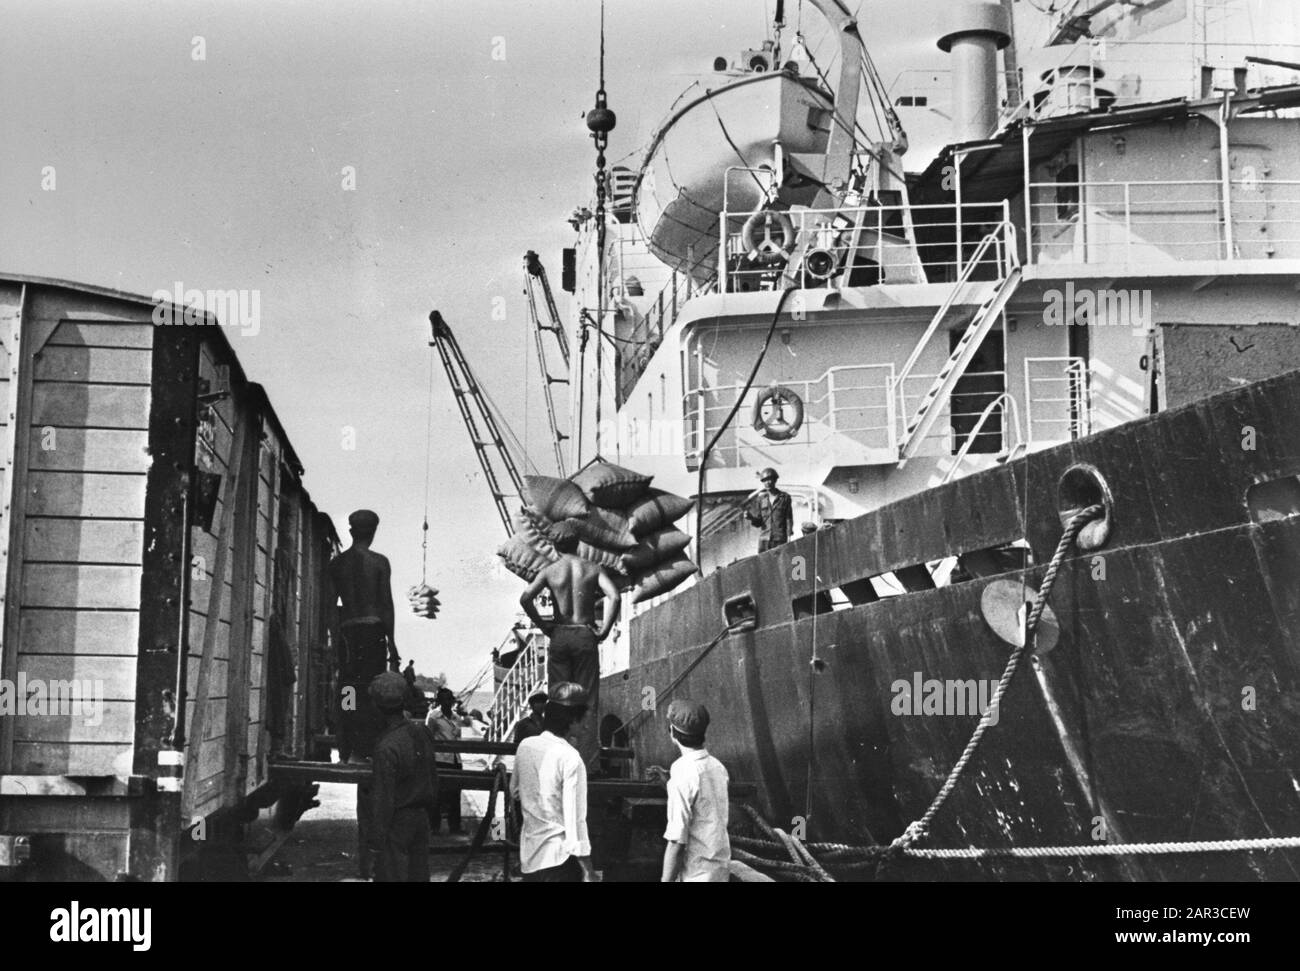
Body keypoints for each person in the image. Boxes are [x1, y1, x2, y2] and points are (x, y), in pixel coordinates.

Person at [518, 520, 621, 765]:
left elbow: (525, 599)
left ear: (554, 544)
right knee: (587, 699)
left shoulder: (549, 571)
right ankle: (586, 762)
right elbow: (614, 596)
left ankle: (554, 759)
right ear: (578, 543)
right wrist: (604, 630)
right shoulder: (593, 568)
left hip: (560, 634)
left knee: (558, 698)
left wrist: (544, 626)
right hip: (584, 634)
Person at [329, 509, 400, 763]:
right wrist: (391, 642)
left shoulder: (338, 564)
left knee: (348, 689)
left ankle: (346, 747)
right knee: (371, 691)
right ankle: (365, 748)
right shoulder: (380, 562)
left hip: (348, 632)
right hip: (372, 634)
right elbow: (386, 605)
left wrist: (335, 638)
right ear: (373, 533)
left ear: (351, 532)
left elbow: (330, 607)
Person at [509, 682, 599, 882]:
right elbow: (576, 820)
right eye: (584, 719)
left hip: (531, 859)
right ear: (572, 719)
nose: (586, 725)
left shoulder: (525, 746)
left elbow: (515, 791)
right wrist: (588, 870)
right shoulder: (571, 758)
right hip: (560, 861)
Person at [367, 671, 438, 883]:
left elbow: (383, 799)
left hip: (397, 824)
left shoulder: (386, 746)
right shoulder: (423, 733)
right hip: (421, 821)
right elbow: (433, 779)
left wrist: (375, 841)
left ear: (378, 707)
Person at [661, 699, 731, 882]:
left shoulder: (681, 772)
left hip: (695, 875)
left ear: (672, 732)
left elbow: (676, 841)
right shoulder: (719, 768)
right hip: (719, 872)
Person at [425, 686, 463, 835]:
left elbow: (457, 736)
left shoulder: (456, 718)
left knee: (455, 794)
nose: (448, 702)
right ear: (439, 701)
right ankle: (434, 826)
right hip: (439, 759)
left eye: (449, 698)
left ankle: (455, 826)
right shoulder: (433, 716)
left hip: (455, 759)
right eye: (444, 699)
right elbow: (428, 737)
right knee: (437, 795)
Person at [746, 468, 793, 553]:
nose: (767, 483)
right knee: (763, 564)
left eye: (769, 479)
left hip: (779, 539)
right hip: (764, 539)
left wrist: (789, 535)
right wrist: (751, 517)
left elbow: (788, 518)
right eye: (764, 481)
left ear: (775, 480)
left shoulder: (785, 498)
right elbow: (759, 522)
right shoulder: (761, 499)